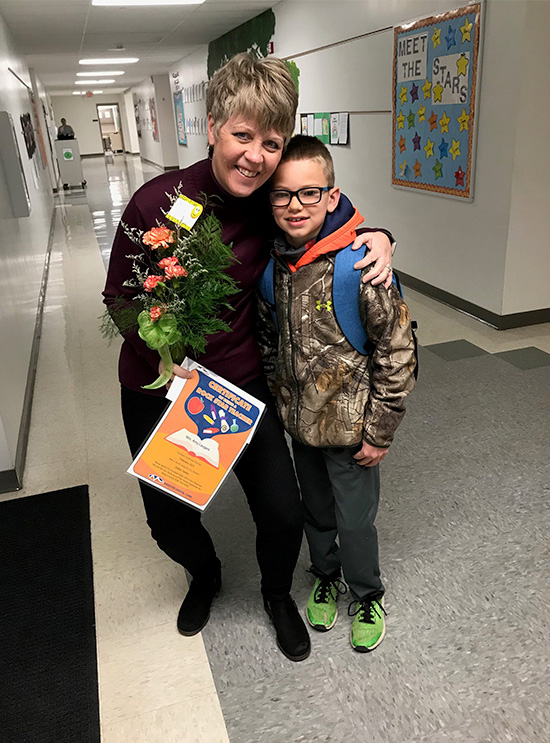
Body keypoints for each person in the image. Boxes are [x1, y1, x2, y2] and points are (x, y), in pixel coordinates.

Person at [102, 54, 394, 662]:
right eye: (242, 135)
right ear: (212, 127)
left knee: (284, 514)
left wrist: (380, 236)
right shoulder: (160, 202)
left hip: (239, 387)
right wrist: (158, 350)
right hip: (160, 388)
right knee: (169, 521)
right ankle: (204, 573)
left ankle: (276, 595)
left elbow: (333, 214)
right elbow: (119, 297)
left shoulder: (272, 202)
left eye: (271, 142)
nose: (255, 156)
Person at [258, 135, 416, 653]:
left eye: (309, 193)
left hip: (353, 433)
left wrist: (380, 432)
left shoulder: (362, 266)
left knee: (354, 520)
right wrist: (280, 403)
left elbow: (397, 353)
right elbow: (269, 342)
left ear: (331, 196)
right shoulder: (273, 269)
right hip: (301, 427)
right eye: (283, 194)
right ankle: (325, 575)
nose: (295, 206)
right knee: (317, 512)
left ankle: (367, 593)